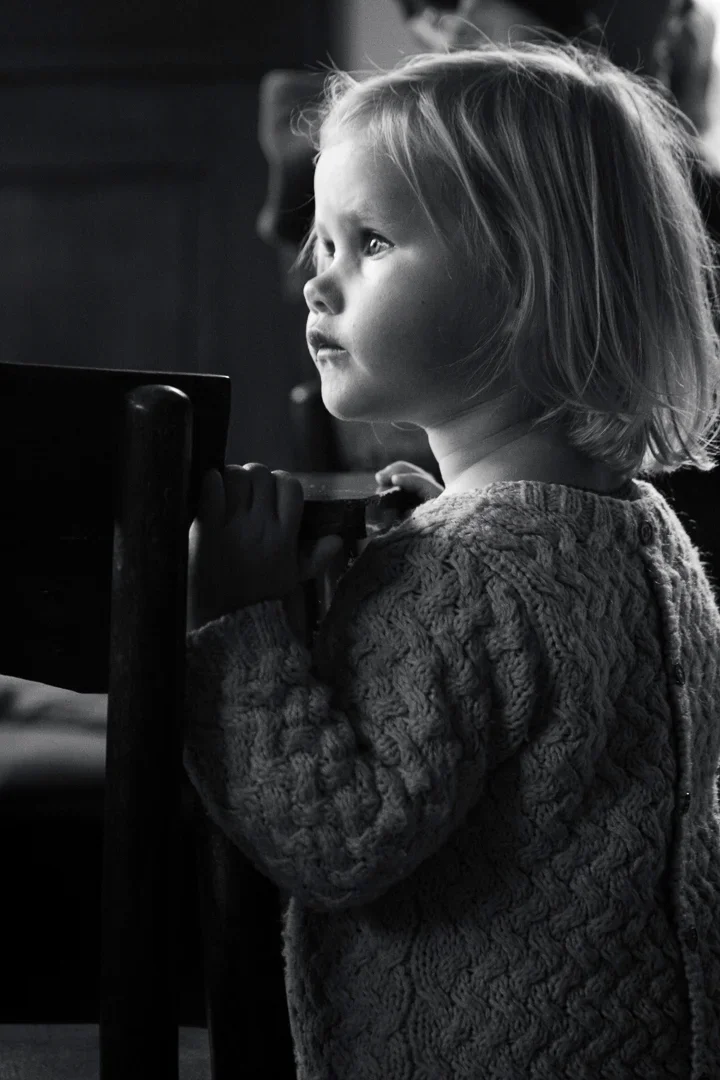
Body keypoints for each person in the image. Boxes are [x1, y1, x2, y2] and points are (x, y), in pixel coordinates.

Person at [183, 39, 720, 1080]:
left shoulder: (469, 576)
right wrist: (431, 533)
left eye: (371, 241)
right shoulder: (641, 531)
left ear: (523, 284)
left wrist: (237, 624)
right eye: (322, 242)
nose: (316, 282)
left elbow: (339, 840)